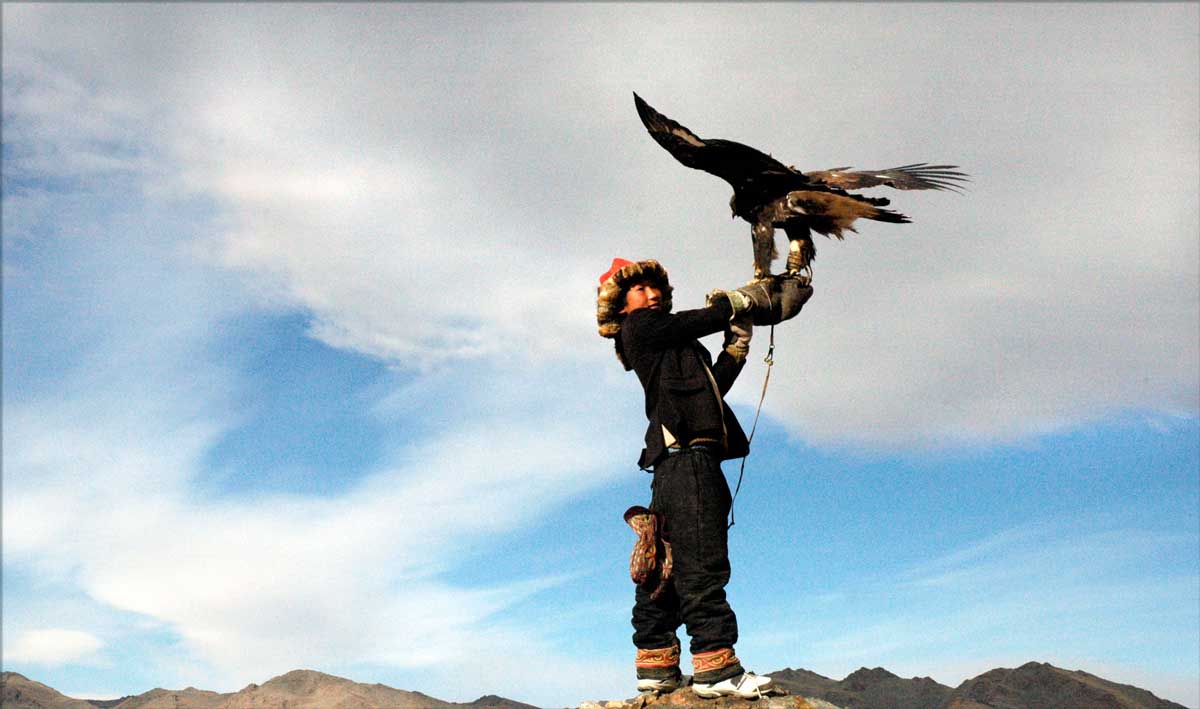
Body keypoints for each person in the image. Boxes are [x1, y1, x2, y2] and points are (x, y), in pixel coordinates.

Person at [595, 258, 811, 699]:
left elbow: (710, 388)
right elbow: (696, 320)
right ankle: (716, 669)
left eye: (655, 288)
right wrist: (735, 304)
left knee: (664, 565)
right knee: (702, 563)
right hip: (689, 461)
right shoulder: (640, 329)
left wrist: (736, 348)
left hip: (676, 465)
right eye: (638, 290)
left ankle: (656, 667)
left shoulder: (670, 342)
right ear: (621, 305)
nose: (651, 295)